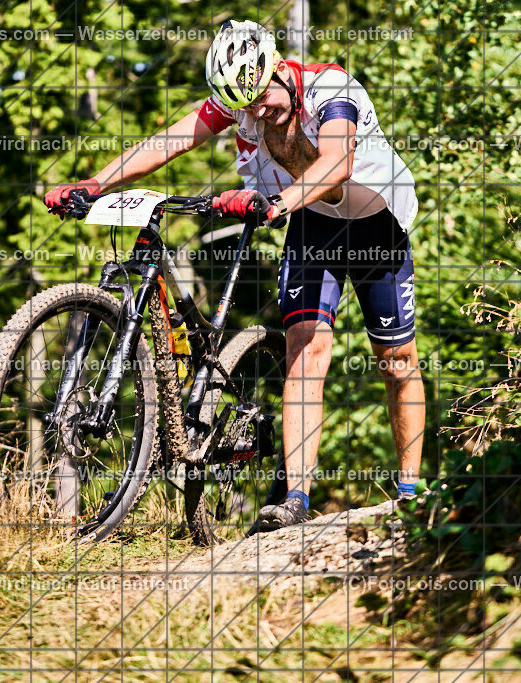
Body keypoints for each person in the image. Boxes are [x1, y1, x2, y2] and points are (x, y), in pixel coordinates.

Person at [44, 20, 425, 531]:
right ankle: (296, 498)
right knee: (305, 347)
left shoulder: (329, 88)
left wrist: (279, 200)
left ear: (278, 67)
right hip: (313, 223)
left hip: (375, 219)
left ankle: (409, 491)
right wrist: (96, 181)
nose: (255, 111)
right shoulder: (241, 101)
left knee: (396, 361)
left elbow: (336, 161)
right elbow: (171, 140)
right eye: (243, 106)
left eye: (262, 97)